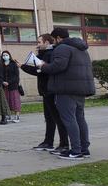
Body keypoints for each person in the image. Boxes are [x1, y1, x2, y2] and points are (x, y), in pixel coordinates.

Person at [35, 27, 94, 160]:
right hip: (81, 89)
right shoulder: (81, 48)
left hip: (66, 89)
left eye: (53, 40)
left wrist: (43, 66)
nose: (53, 43)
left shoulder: (62, 48)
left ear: (58, 38)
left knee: (69, 119)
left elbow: (58, 67)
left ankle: (76, 150)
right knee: (80, 119)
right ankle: (84, 149)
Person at [21, 34, 69, 153]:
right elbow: (38, 70)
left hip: (50, 90)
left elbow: (42, 71)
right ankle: (48, 141)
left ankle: (64, 143)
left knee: (57, 118)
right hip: (45, 90)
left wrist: (24, 67)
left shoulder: (51, 54)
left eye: (39, 42)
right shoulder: (43, 54)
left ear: (47, 42)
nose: (37, 44)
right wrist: (22, 66)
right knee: (49, 118)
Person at [2, 50, 22, 122]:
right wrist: (3, 82)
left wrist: (9, 82)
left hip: (13, 86)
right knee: (7, 101)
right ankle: (8, 116)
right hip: (4, 86)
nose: (5, 56)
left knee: (15, 101)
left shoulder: (13, 64)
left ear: (9, 55)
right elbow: (0, 75)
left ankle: (17, 116)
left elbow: (16, 76)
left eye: (6, 55)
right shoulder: (1, 64)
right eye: (3, 55)